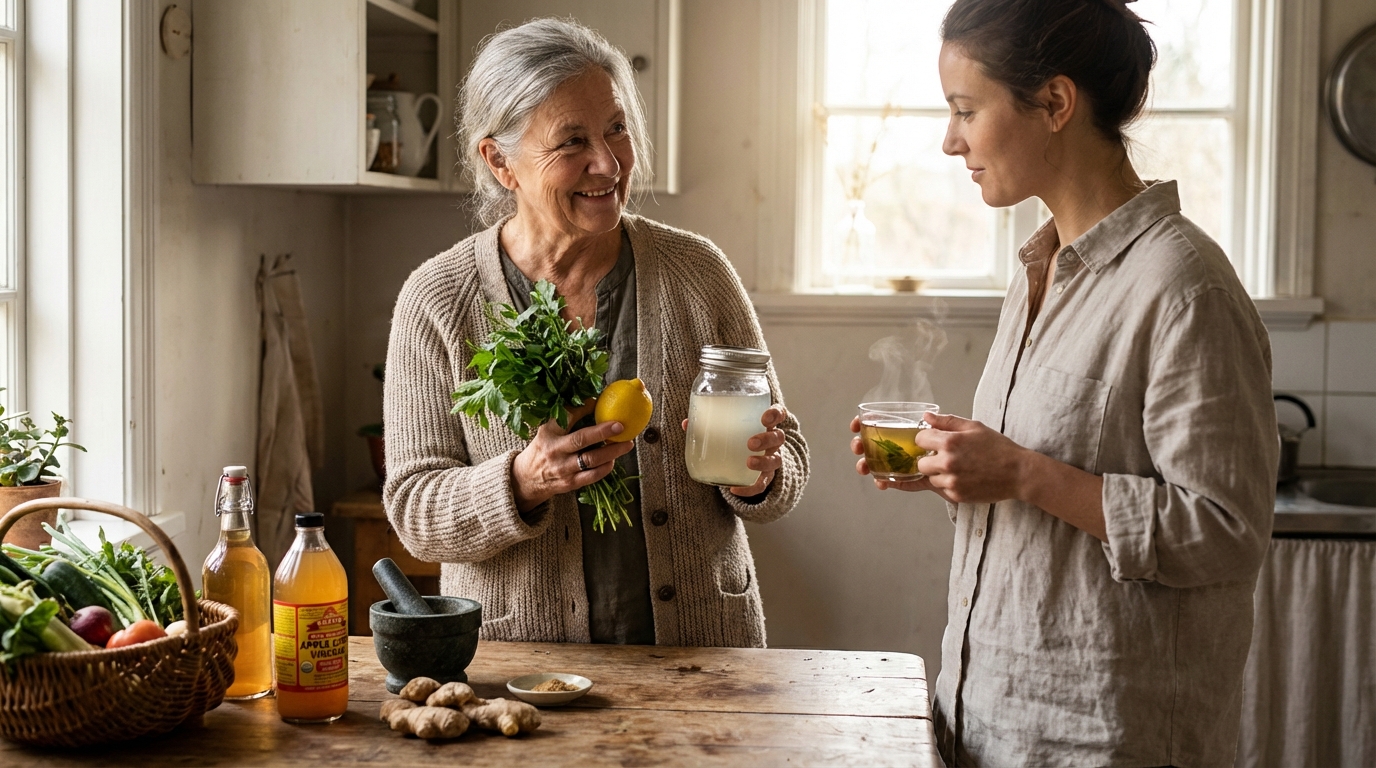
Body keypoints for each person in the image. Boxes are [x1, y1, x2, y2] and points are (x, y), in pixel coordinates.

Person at [850, 0, 1277, 763]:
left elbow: (1226, 532)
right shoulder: (1038, 269)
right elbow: (1043, 492)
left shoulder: (1184, 288)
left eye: (965, 111)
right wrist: (962, 470)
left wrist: (1020, 471)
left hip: (1100, 738)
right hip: (985, 718)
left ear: (1054, 102)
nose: (952, 142)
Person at [384, 18, 808, 648]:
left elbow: (786, 460)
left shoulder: (697, 274)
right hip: (523, 664)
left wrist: (760, 476)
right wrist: (524, 480)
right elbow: (415, 511)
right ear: (501, 161)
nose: (607, 162)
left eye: (616, 128)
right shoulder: (437, 300)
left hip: (700, 653)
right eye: (572, 140)